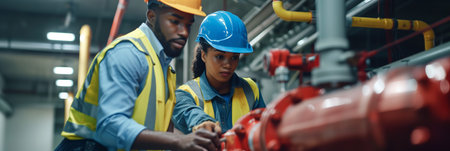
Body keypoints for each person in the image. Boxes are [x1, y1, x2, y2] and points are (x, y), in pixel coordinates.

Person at [55, 0, 221, 151]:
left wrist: (195, 139)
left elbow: (163, 132)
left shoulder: (164, 68)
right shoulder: (128, 54)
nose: (184, 32)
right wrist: (178, 142)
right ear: (151, 16)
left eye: (188, 25)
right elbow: (110, 126)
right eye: (175, 22)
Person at [172, 11, 266, 135]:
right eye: (220, 56)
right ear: (204, 56)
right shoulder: (185, 94)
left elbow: (265, 128)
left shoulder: (251, 89)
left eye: (234, 57)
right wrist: (204, 123)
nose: (228, 65)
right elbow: (190, 112)